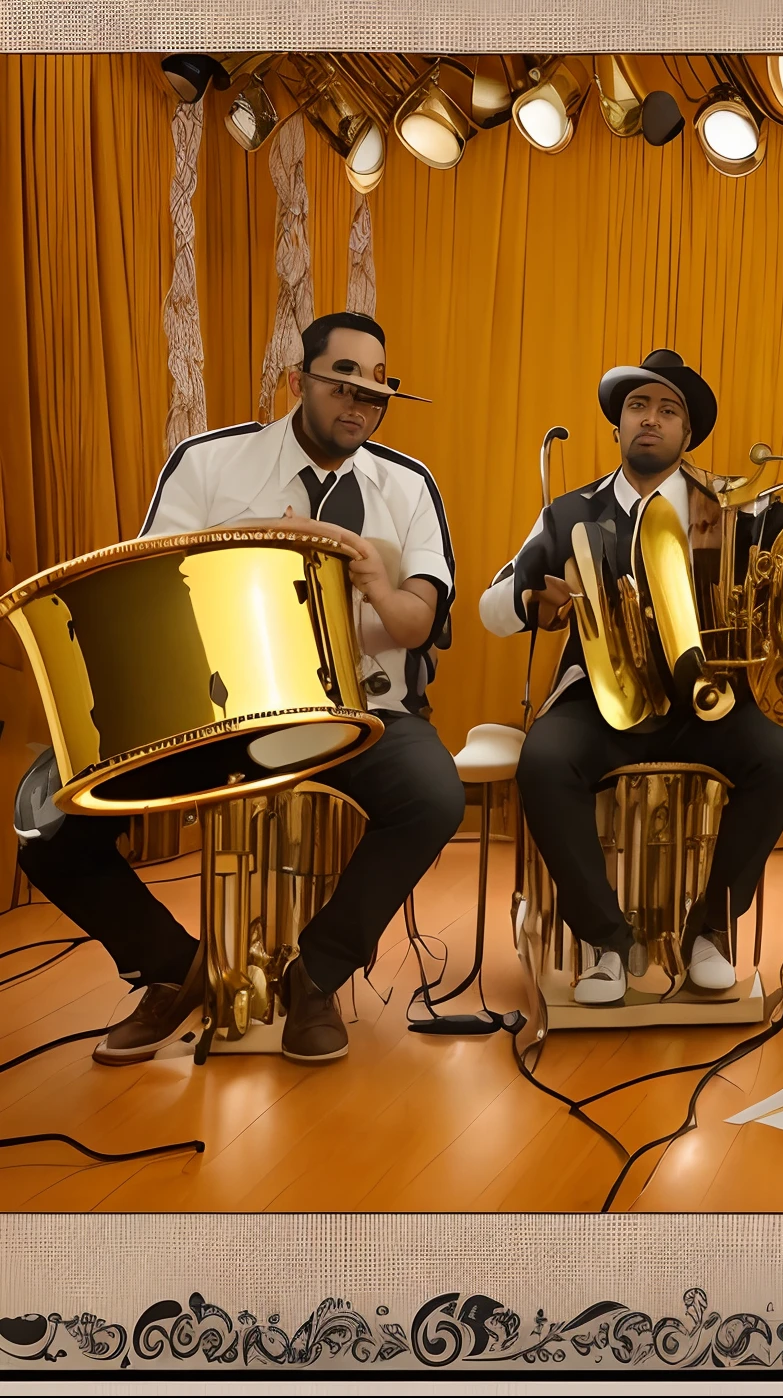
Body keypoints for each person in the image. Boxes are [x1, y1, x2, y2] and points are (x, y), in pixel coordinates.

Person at [16, 310, 463, 1064]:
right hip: (219, 712)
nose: (357, 406)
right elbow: (150, 598)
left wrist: (377, 584)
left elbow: (416, 624)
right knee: (50, 829)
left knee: (434, 796)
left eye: (374, 395)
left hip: (365, 711)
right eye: (340, 385)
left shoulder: (408, 485)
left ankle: (313, 978)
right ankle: (173, 969)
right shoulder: (208, 464)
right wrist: (252, 545)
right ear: (298, 381)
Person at [481, 350, 783, 1005]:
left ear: (688, 434)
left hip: (704, 703)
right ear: (617, 425)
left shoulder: (734, 509)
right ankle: (606, 942)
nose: (650, 420)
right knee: (542, 763)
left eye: (668, 410)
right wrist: (533, 604)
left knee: (780, 760)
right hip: (598, 703)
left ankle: (709, 930)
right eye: (638, 407)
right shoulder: (571, 511)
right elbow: (492, 609)